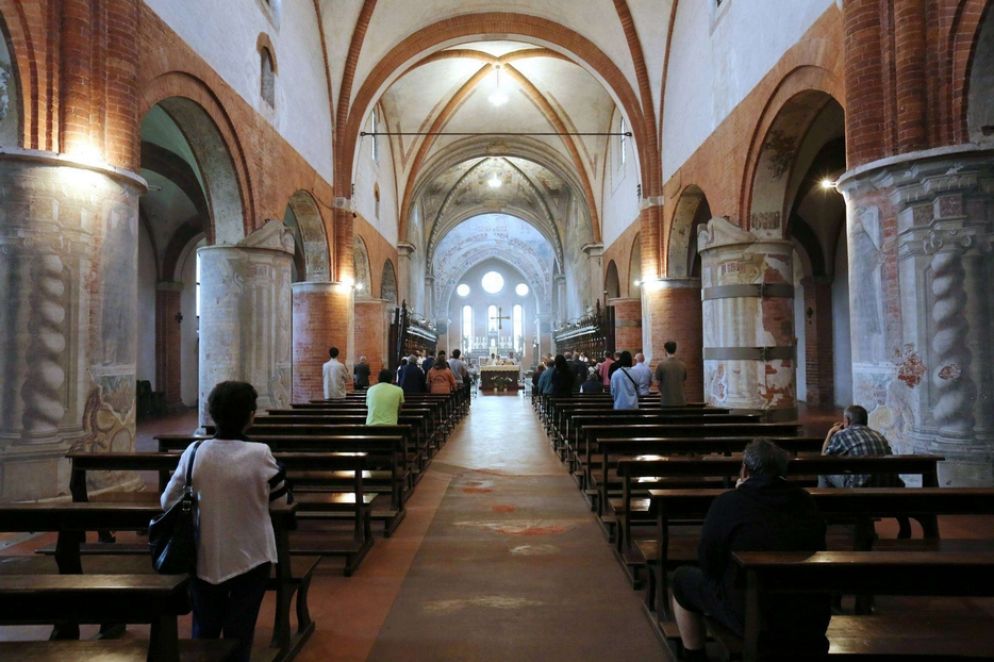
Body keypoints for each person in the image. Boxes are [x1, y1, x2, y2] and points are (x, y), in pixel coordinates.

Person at [161, 381, 289, 662]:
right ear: (250, 416)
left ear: (213, 413)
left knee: (204, 627)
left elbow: (167, 501)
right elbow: (280, 503)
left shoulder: (195, 452)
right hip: (251, 555)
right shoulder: (260, 454)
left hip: (205, 552)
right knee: (240, 629)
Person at [671, 439, 830, 660]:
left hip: (754, 615)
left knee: (681, 580)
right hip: (809, 616)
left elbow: (708, 562)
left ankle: (694, 656)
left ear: (744, 469)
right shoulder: (806, 502)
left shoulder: (730, 503)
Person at [820, 404, 902, 488]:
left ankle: (822, 500)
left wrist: (830, 433)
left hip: (859, 488)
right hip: (886, 486)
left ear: (846, 420)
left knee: (823, 469)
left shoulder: (842, 435)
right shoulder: (879, 435)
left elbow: (824, 459)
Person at [654, 340, 687, 406]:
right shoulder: (683, 365)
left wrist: (664, 391)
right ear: (675, 349)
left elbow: (658, 383)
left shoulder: (661, 365)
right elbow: (683, 383)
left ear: (665, 350)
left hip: (667, 401)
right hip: (680, 400)